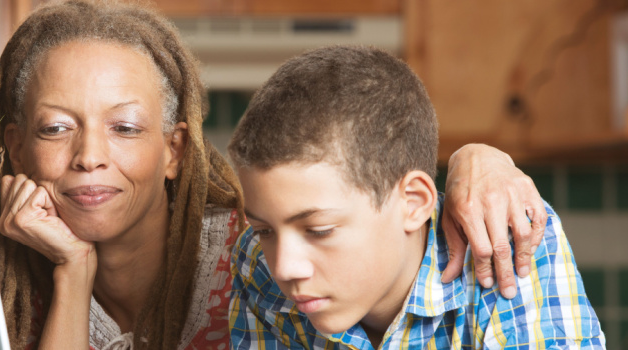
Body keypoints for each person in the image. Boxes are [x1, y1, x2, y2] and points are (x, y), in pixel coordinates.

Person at [0, 1, 547, 349]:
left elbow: (370, 201)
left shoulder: (260, 255)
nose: (89, 156)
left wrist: (480, 157)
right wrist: (73, 272)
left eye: (125, 127)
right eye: (54, 129)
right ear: (14, 148)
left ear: (175, 151)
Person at [227, 46, 605, 349]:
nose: (284, 268)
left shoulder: (506, 239)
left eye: (319, 230)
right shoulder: (258, 262)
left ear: (413, 202)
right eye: (265, 230)